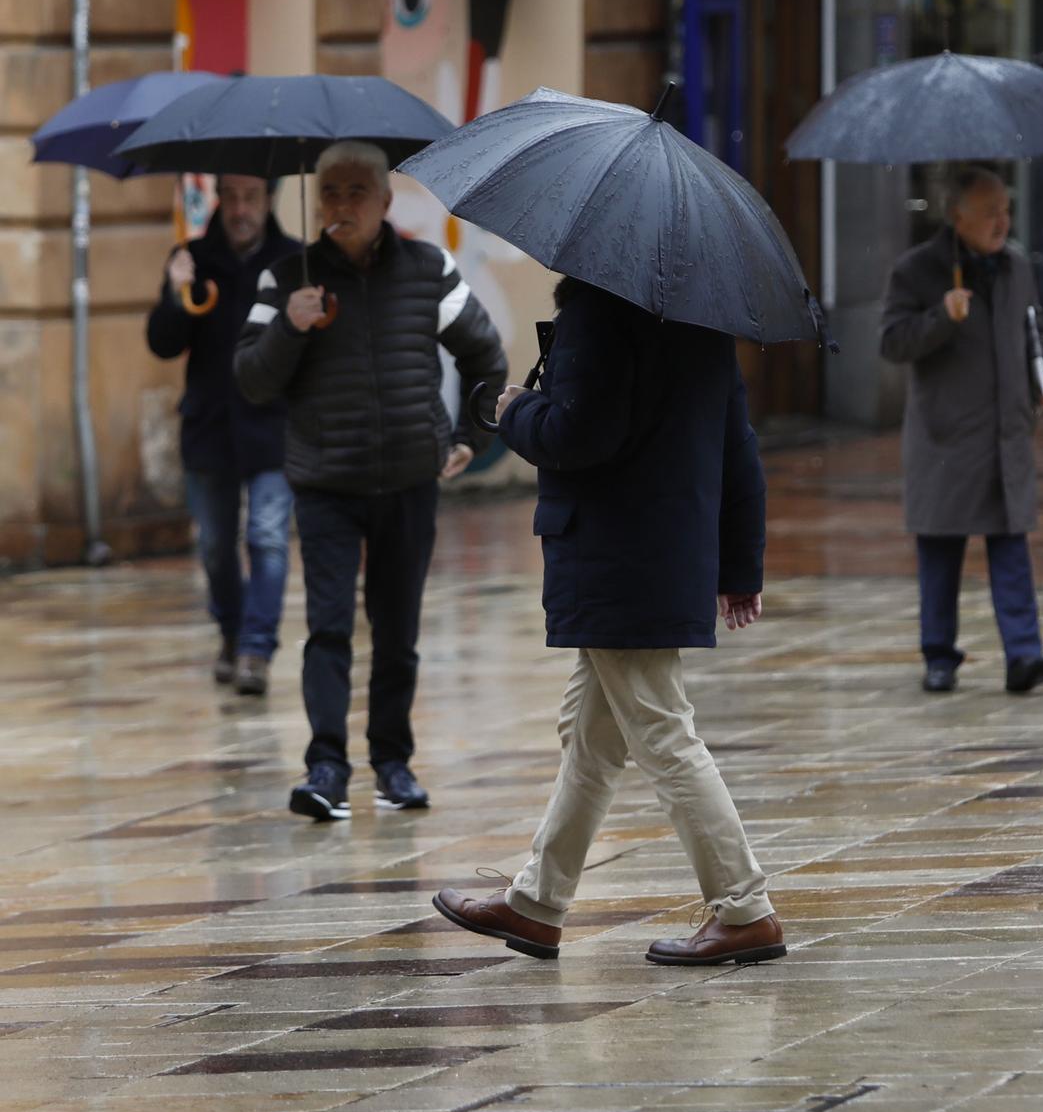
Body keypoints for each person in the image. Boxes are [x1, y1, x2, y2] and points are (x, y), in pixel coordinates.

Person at [431, 277, 783, 966]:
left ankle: (745, 908)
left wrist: (515, 410)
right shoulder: (698, 312)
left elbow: (579, 431)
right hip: (663, 555)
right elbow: (738, 444)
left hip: (615, 555)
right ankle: (536, 902)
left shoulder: (598, 310)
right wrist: (740, 565)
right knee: (590, 733)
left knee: (660, 728)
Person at [235, 140, 506, 822]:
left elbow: (486, 354)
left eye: (358, 191)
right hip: (325, 482)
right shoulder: (284, 279)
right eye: (330, 192)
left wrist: (473, 436)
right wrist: (290, 328)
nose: (341, 205)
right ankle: (326, 765)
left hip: (410, 479)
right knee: (327, 627)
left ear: (386, 202)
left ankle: (394, 763)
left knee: (398, 630)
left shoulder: (427, 269)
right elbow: (251, 380)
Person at [880, 166, 1043, 695]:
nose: (1002, 222)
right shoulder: (916, 270)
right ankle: (939, 654)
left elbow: (1037, 334)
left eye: (1006, 210)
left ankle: (1023, 655)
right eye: (990, 213)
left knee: (1011, 544)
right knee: (941, 549)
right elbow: (891, 342)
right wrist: (941, 315)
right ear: (956, 216)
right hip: (946, 436)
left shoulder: (1016, 267)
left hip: (1006, 430)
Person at [146, 175, 302, 696]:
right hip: (209, 427)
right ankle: (233, 635)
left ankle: (257, 649)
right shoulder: (192, 257)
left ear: (269, 200)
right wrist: (174, 292)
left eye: (251, 197)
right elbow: (163, 344)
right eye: (231, 197)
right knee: (215, 546)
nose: (240, 209)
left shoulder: (293, 262)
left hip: (272, 426)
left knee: (267, 537)